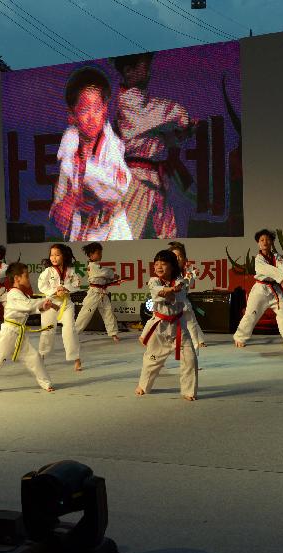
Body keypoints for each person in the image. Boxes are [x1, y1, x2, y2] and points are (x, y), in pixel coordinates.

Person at [113, 52, 195, 239]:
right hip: (137, 181)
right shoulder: (129, 101)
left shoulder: (142, 104)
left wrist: (185, 131)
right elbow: (161, 113)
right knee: (132, 236)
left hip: (153, 179)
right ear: (128, 71)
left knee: (168, 238)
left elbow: (161, 140)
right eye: (145, 67)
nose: (149, 73)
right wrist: (183, 118)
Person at [50, 66, 132, 241]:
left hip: (113, 229)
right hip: (83, 231)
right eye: (85, 109)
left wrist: (83, 179)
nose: (92, 117)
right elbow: (60, 201)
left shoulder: (112, 146)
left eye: (97, 108)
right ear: (71, 115)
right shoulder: (69, 147)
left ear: (105, 110)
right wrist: (62, 206)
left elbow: (119, 188)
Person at [0, 262, 56, 396]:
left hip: (19, 334)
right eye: (26, 276)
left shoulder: (22, 295)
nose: (28, 279)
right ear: (17, 278)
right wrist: (46, 300)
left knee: (34, 357)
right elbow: (27, 306)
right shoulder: (13, 294)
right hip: (10, 332)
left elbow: (30, 307)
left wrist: (42, 307)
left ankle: (46, 383)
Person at [136, 250, 198, 400]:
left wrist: (172, 291)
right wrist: (169, 291)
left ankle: (189, 391)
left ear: (172, 266)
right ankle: (144, 385)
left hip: (178, 327)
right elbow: (157, 292)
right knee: (152, 360)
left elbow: (180, 296)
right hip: (160, 328)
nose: (159, 267)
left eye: (163, 264)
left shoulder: (180, 281)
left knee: (190, 359)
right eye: (156, 264)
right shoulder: (153, 281)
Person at [232, 229, 283, 349]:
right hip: (260, 290)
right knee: (251, 314)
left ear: (272, 242)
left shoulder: (277, 257)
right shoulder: (258, 259)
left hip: (275, 290)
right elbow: (267, 270)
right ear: (258, 243)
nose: (265, 242)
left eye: (268, 239)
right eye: (262, 240)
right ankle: (240, 337)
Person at [37, 243, 82, 371]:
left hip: (66, 304)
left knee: (70, 330)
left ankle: (76, 358)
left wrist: (66, 288)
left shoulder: (70, 271)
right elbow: (41, 285)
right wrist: (55, 291)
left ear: (64, 256)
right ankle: (41, 356)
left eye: (57, 255)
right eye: (52, 255)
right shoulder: (48, 271)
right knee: (47, 330)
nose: (54, 258)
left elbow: (77, 285)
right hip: (51, 303)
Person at [74, 242, 120, 341]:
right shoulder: (92, 266)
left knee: (108, 312)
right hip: (93, 293)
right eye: (98, 253)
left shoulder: (98, 266)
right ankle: (74, 334)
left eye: (100, 253)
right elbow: (103, 273)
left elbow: (104, 278)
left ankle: (113, 333)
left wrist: (111, 279)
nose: (100, 255)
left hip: (102, 293)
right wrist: (112, 274)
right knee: (85, 314)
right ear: (91, 255)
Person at [168, 241, 207, 350]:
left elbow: (188, 284)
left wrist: (193, 275)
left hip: (183, 302)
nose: (178, 258)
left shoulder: (187, 270)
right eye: (175, 256)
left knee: (192, 323)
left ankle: (197, 344)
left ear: (185, 259)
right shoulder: (167, 272)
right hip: (171, 304)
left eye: (180, 256)